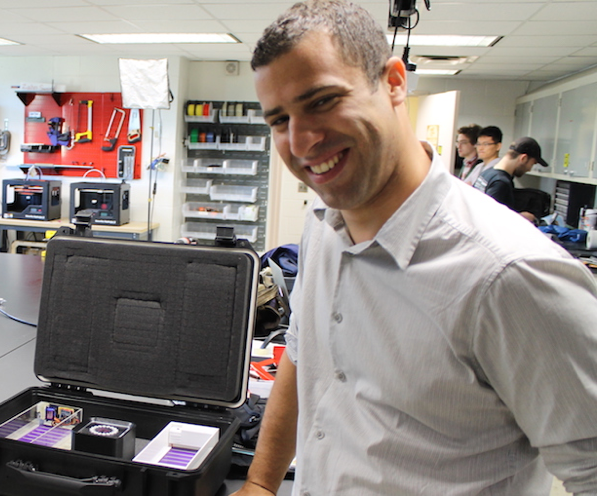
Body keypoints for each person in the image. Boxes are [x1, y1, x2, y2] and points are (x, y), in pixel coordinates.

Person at [240, 1, 597, 495]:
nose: (301, 141)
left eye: (321, 101)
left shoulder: (511, 275)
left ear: (393, 83)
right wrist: (260, 483)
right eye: (279, 120)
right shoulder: (323, 225)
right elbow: (301, 356)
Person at [474, 136, 549, 223]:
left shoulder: (487, 173)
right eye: (532, 164)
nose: (529, 169)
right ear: (523, 158)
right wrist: (520, 217)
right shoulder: (501, 182)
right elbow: (491, 219)